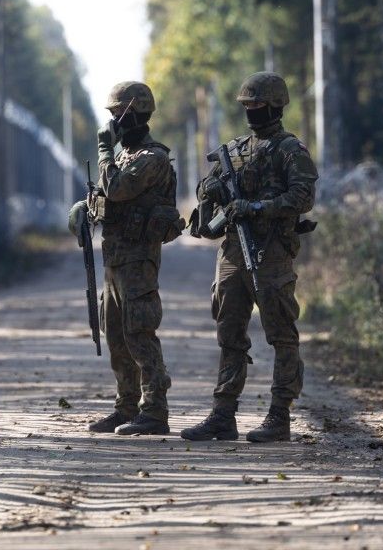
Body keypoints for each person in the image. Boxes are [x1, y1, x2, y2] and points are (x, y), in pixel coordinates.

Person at [181, 72, 318, 443]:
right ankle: (223, 414)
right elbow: (206, 195)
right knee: (230, 334)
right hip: (232, 253)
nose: (251, 112)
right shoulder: (234, 150)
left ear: (275, 106)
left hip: (271, 253)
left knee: (281, 334)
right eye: (247, 106)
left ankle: (279, 415)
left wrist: (257, 206)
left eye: (257, 105)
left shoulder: (290, 150)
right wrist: (209, 189)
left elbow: (302, 197)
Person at [70, 81, 184, 436]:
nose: (114, 122)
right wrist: (86, 207)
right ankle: (126, 407)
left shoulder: (153, 158)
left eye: (119, 115)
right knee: (116, 335)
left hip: (138, 260)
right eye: (112, 116)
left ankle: (155, 411)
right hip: (114, 260)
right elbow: (107, 195)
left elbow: (118, 189)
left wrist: (104, 148)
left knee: (139, 333)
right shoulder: (123, 158)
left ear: (136, 114)